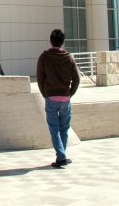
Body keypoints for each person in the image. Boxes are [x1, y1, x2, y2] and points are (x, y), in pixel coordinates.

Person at [36, 28, 81, 169]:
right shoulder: (69, 57)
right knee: (64, 128)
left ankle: (61, 156)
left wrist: (45, 93)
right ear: (63, 42)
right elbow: (77, 79)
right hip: (65, 98)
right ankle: (62, 155)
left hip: (51, 97)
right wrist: (69, 93)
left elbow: (40, 78)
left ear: (51, 41)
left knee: (54, 128)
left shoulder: (44, 57)